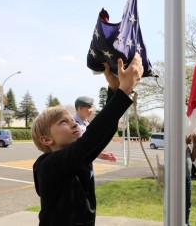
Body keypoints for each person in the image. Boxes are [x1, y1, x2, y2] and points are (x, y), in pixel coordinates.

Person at [31, 53, 143, 225]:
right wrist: (125, 88)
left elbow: (102, 134)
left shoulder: (78, 159)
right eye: (63, 122)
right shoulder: (46, 165)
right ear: (46, 140)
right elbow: (91, 138)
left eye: (71, 120)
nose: (73, 124)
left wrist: (114, 89)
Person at [74, 96, 117, 162]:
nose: (91, 110)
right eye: (89, 107)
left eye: (91, 107)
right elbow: (76, 149)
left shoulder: (87, 123)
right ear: (80, 108)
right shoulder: (73, 126)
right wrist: (97, 154)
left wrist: (100, 151)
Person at [185, 133, 196, 226]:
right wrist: (186, 143)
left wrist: (194, 144)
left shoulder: (187, 147)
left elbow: (193, 158)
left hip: (187, 178)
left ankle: (186, 222)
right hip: (178, 179)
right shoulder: (175, 145)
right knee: (179, 202)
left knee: (187, 202)